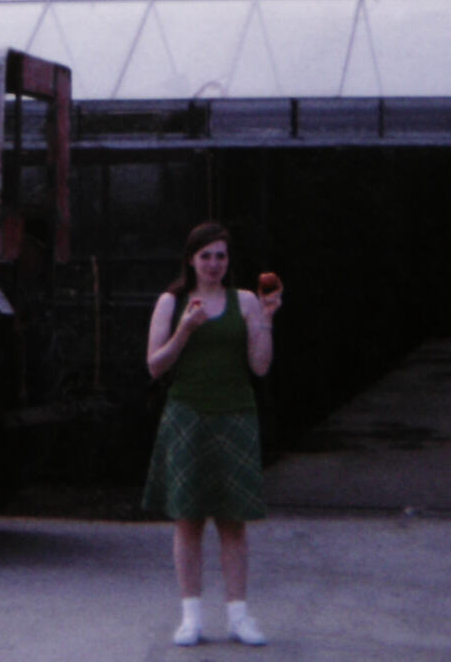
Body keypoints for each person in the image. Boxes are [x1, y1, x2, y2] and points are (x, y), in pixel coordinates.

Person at [143, 221, 282, 647]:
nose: (214, 264)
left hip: (235, 414)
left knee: (233, 523)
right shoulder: (172, 301)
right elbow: (155, 365)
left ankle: (239, 616)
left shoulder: (245, 302)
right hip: (187, 417)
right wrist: (185, 329)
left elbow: (259, 366)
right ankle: (192, 618)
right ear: (191, 259)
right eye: (206, 256)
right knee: (188, 521)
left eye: (221, 256)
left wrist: (267, 319)